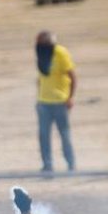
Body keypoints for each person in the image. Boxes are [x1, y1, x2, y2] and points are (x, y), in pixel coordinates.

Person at [35, 31, 76, 173]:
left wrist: (70, 97)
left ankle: (71, 163)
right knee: (43, 135)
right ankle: (47, 164)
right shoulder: (41, 54)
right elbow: (41, 77)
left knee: (64, 134)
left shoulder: (61, 53)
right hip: (43, 103)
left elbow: (72, 76)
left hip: (60, 102)